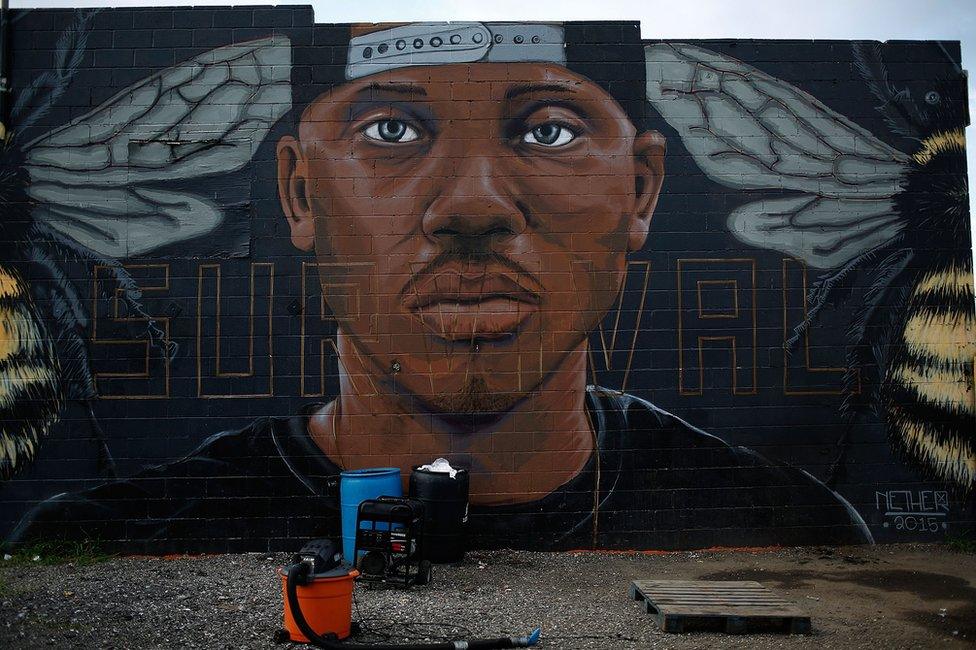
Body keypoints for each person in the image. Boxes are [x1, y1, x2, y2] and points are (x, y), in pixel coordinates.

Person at [9, 22, 872, 553]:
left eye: (549, 129)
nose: (470, 207)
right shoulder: (109, 535)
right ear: (301, 193)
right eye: (390, 128)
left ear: (641, 190)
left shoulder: (799, 525)